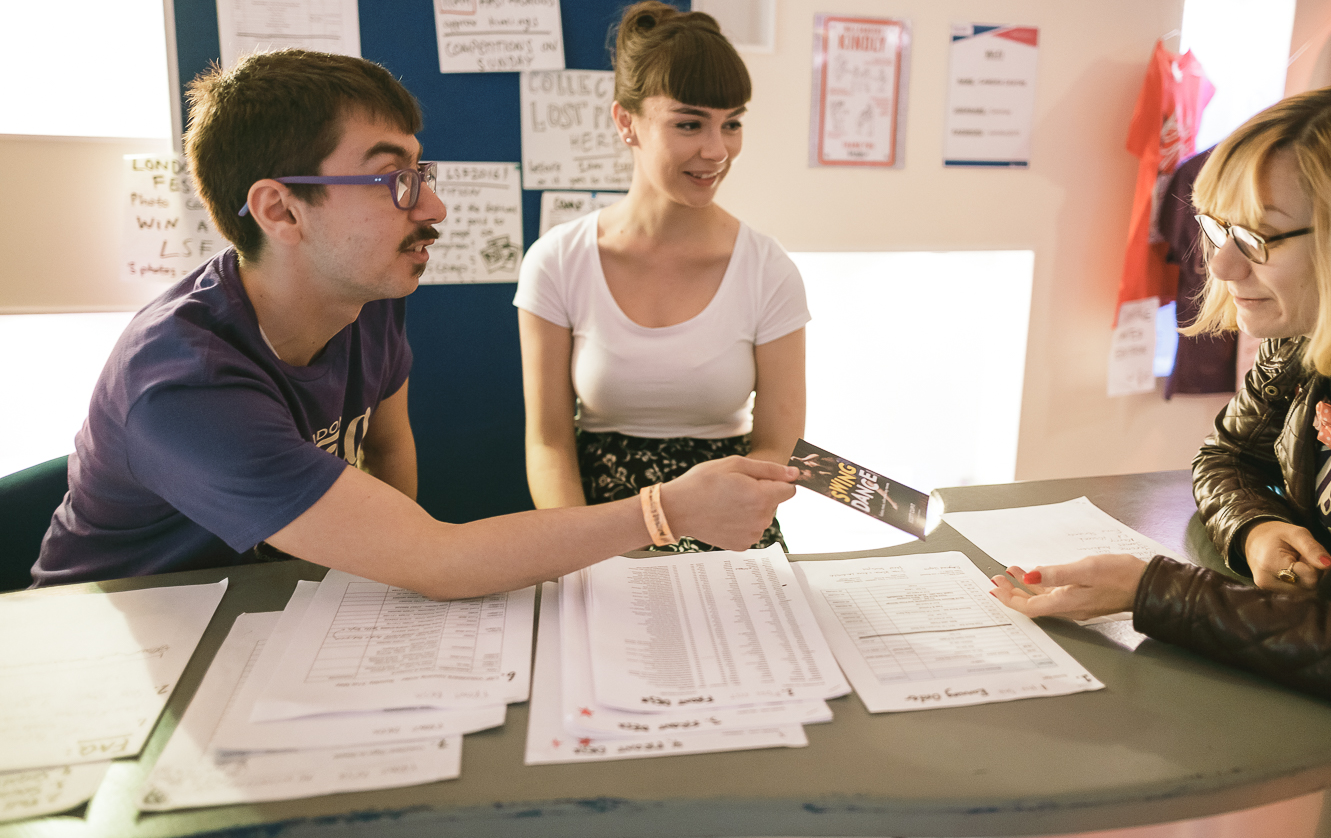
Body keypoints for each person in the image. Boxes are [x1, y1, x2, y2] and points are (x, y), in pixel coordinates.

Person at [30, 49, 798, 595]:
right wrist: (666, 511)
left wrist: (393, 566)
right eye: (394, 179)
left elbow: (391, 453)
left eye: (421, 174)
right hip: (122, 651)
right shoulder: (183, 386)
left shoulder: (366, 302)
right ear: (280, 208)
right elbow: (438, 559)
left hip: (272, 614)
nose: (432, 207)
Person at [991, 83, 1331, 838]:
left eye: (1259, 237)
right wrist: (1257, 525)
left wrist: (1156, 592)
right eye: (1217, 225)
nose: (1222, 262)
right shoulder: (1317, 332)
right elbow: (1227, 456)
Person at [516, 1, 807, 552]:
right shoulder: (557, 260)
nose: (717, 150)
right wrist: (584, 553)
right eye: (689, 124)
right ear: (626, 122)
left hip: (729, 519)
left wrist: (718, 517)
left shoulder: (768, 270)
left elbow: (777, 445)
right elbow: (549, 442)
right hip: (598, 520)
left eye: (732, 123)